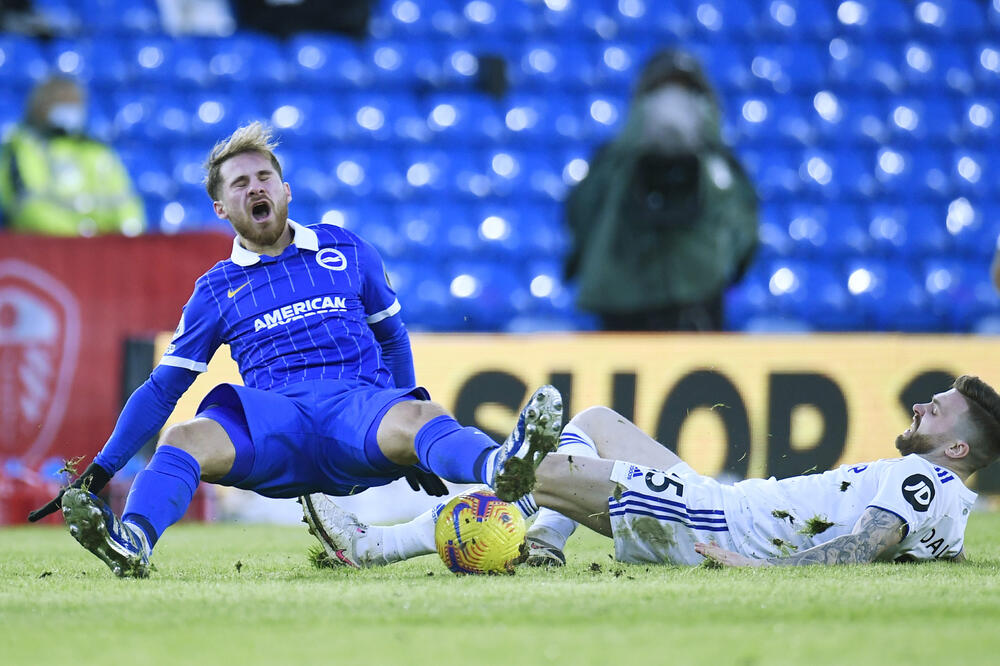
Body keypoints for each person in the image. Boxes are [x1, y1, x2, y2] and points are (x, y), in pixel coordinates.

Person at [28, 121, 563, 578]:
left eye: (265, 177)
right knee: (186, 436)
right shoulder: (215, 289)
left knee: (421, 413)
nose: (255, 187)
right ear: (221, 207)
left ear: (285, 191)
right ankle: (134, 542)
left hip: (356, 410)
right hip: (275, 422)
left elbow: (392, 338)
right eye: (240, 183)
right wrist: (101, 470)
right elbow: (163, 388)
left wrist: (404, 422)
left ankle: (502, 468)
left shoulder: (345, 248)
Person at [302, 375, 999, 569]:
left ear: (959, 450)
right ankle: (544, 538)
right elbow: (922, 551)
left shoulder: (922, 482)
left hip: (721, 523)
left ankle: (374, 544)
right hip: (724, 501)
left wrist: (754, 570)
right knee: (600, 420)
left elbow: (869, 542)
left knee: (530, 469)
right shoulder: (950, 507)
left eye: (935, 411)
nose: (920, 406)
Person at [564, 48, 758, 331]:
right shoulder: (612, 163)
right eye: (661, 94)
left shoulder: (720, 166)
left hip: (694, 299)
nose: (670, 111)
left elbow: (745, 231)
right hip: (625, 301)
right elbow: (581, 214)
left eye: (684, 93)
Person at [0, 75, 146, 236]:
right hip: (46, 249)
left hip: (104, 249)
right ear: (41, 106)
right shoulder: (23, 147)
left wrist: (123, 237)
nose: (70, 108)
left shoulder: (96, 151)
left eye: (75, 102)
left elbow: (127, 204)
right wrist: (79, 235)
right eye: (62, 101)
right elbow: (28, 208)